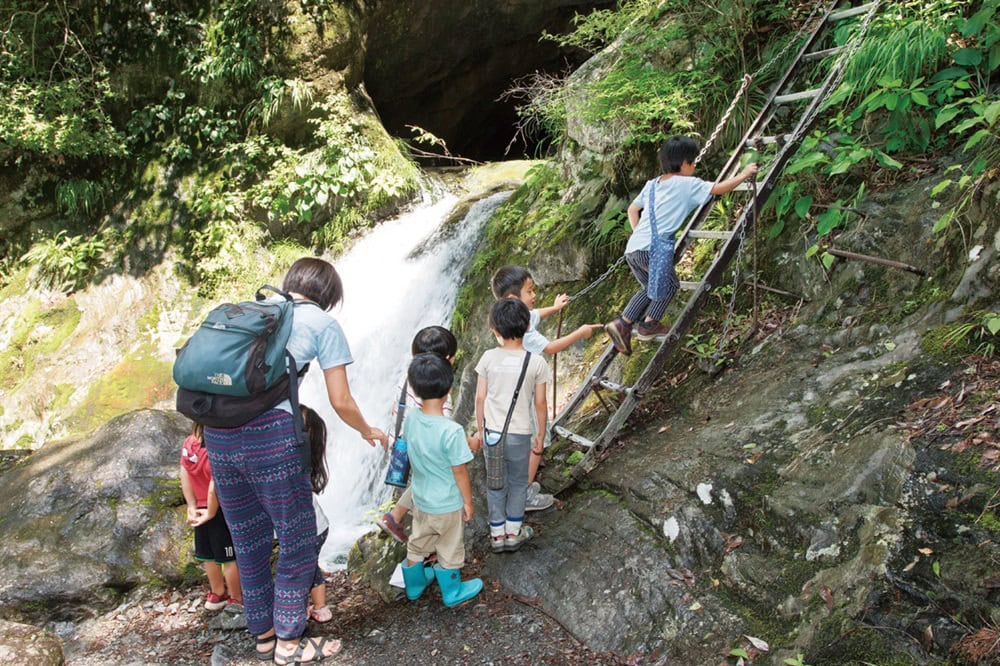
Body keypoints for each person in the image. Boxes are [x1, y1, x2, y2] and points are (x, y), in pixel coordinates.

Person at [202, 257, 388, 665]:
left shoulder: (252, 312)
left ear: (291, 285)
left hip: (218, 437)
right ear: (328, 296)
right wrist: (366, 429)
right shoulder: (321, 323)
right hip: (269, 438)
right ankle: (289, 642)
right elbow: (340, 399)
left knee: (248, 540)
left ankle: (265, 638)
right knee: (299, 539)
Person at [604, 135, 758, 355]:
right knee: (669, 285)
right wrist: (744, 174)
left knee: (651, 288)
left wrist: (640, 233)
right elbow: (719, 189)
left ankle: (631, 323)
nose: (695, 166)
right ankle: (638, 324)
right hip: (652, 251)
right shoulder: (688, 184)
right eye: (693, 162)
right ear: (685, 163)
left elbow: (632, 210)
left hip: (634, 248)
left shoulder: (652, 184)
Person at [491, 265, 601, 510]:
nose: (533, 296)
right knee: (536, 443)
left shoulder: (507, 318)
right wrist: (580, 333)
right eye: (529, 291)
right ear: (513, 299)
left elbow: (535, 314)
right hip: (527, 396)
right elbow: (549, 347)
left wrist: (556, 307)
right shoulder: (524, 330)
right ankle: (524, 495)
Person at [379, 326, 478, 543]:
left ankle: (394, 517)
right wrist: (468, 441)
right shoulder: (438, 392)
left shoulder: (410, 378)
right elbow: (441, 433)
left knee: (422, 480)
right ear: (446, 359)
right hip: (421, 443)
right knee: (433, 483)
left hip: (404, 438)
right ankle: (428, 537)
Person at [399, 353, 483, 607]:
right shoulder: (451, 431)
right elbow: (460, 471)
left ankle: (414, 586)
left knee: (418, 541)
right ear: (449, 388)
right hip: (446, 503)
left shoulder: (411, 418)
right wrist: (468, 502)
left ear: (414, 388)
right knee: (449, 547)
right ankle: (452, 591)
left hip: (421, 499)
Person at [474, 299, 551, 553]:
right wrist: (540, 434)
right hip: (520, 435)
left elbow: (480, 398)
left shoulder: (488, 358)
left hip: (493, 435)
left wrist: (480, 428)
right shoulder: (536, 362)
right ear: (528, 326)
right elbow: (540, 404)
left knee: (496, 484)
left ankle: (496, 536)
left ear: (495, 329)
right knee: (518, 484)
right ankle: (512, 533)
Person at [179, 422, 242, 612]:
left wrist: (191, 505)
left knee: (209, 555)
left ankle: (217, 593)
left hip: (199, 507)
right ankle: (237, 597)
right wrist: (211, 511)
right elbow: (215, 482)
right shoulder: (213, 446)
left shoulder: (189, 443)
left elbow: (184, 474)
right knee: (229, 557)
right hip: (219, 507)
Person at [300, 405, 333, 624]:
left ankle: (308, 608)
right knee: (310, 568)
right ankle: (317, 607)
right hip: (318, 527)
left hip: (312, 529)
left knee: (304, 570)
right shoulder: (305, 461)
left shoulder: (297, 463)